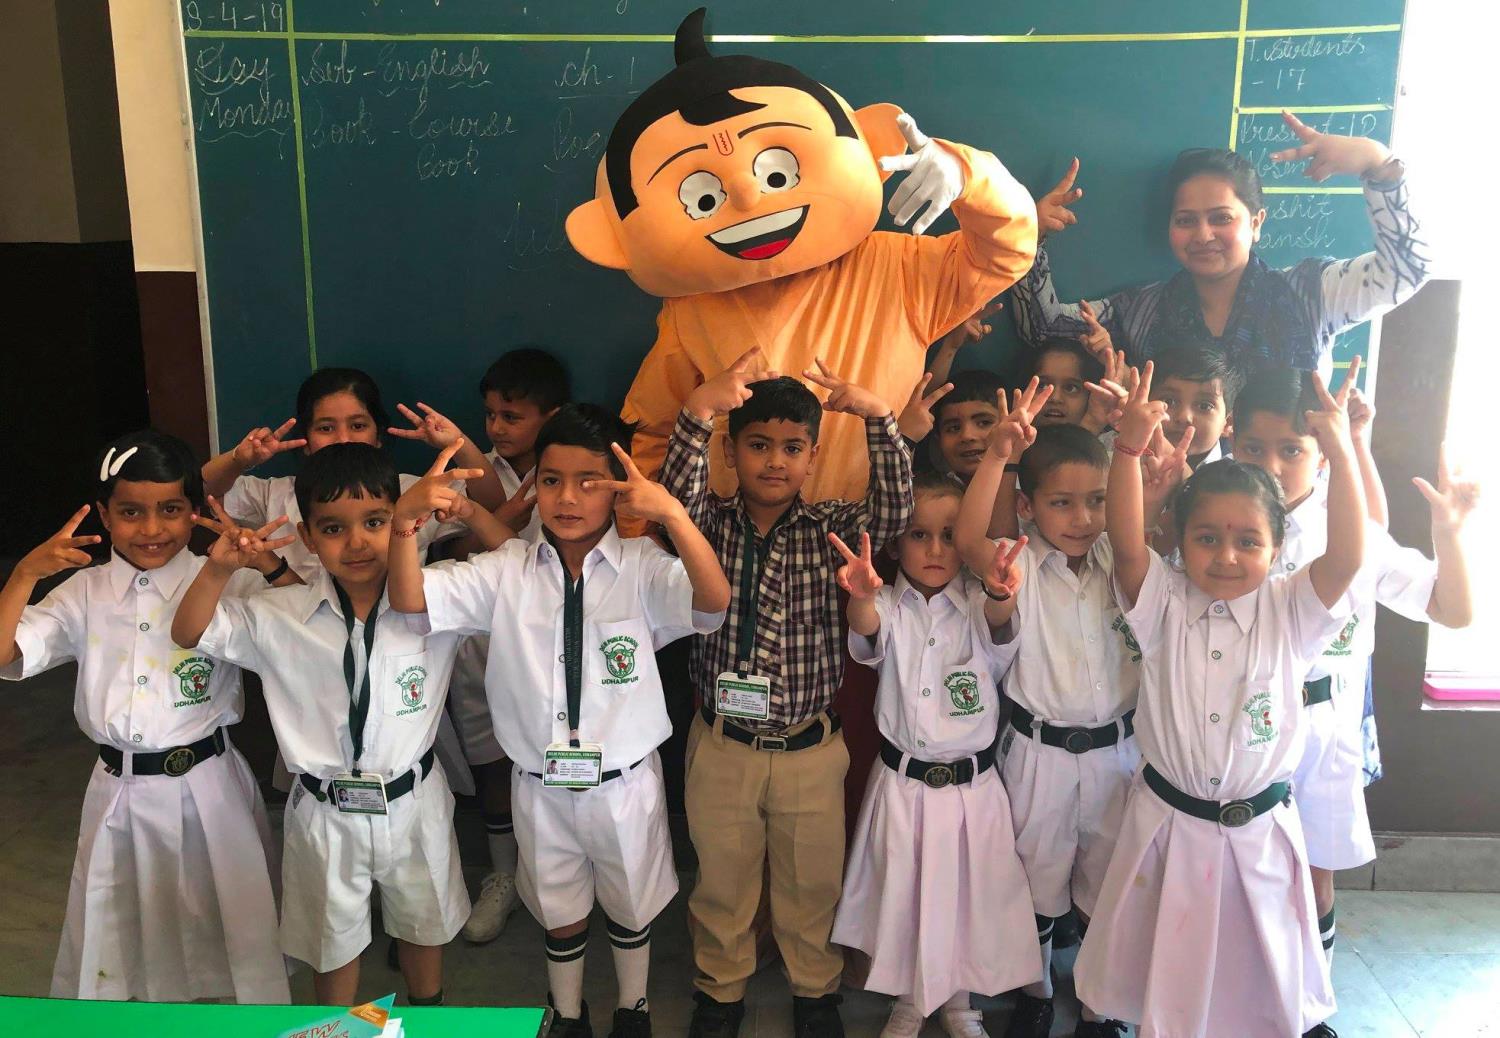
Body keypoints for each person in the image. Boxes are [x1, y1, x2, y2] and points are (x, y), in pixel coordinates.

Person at [567, 9, 1036, 506]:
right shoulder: (692, 308)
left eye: (777, 173)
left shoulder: (900, 268)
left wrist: (967, 176)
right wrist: (650, 539)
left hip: (869, 537)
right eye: (703, 198)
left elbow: (1005, 252)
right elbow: (658, 429)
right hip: (735, 545)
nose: (748, 198)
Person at [389, 404, 730, 1038]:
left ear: (618, 488)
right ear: (534, 485)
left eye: (588, 481)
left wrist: (673, 517)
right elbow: (411, 602)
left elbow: (711, 604)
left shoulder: (641, 565)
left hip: (624, 784)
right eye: (551, 480)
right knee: (558, 909)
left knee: (631, 906)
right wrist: (405, 523)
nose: (567, 497)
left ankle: (634, 1010)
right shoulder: (507, 570)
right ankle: (567, 1014)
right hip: (540, 784)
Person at [1075, 362, 1365, 1037]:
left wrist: (1341, 447)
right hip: (1170, 831)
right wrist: (1127, 448)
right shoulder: (1164, 600)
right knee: (1162, 982)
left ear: (1277, 546)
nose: (1227, 557)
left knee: (1258, 981)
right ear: (1179, 539)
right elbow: (1125, 548)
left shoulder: (1293, 607)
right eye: (1207, 538)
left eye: (1247, 541)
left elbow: (1347, 557)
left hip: (1259, 835)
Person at [173, 440, 507, 1007]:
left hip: (412, 803)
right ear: (307, 539)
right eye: (332, 528)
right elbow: (187, 633)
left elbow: (516, 561)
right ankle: (344, 1026)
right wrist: (217, 568)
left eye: (376, 521)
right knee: (334, 948)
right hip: (324, 812)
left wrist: (469, 510)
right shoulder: (279, 615)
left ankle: (424, 1016)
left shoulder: (438, 604)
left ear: (405, 523)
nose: (356, 542)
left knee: (423, 932)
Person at [657, 359, 913, 1038]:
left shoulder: (831, 529)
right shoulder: (706, 523)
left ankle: (815, 993)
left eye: (793, 448)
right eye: (758, 444)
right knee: (722, 881)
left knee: (811, 882)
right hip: (723, 745)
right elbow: (670, 503)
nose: (775, 461)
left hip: (808, 747)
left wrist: (880, 419)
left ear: (813, 456)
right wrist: (695, 413)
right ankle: (720, 993)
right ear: (731, 450)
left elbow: (894, 511)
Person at [0, 430, 291, 1003]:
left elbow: (316, 636)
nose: (152, 529)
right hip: (118, 793)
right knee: (122, 937)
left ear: (195, 512)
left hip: (210, 788)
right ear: (105, 515)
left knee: (229, 934)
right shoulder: (83, 591)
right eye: (131, 512)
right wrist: (23, 575)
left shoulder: (225, 576)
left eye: (170, 510)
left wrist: (269, 564)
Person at [1230, 366, 1476, 1005]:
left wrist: (1449, 535)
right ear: (1230, 444)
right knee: (1235, 872)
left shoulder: (1354, 536)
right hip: (1236, 732)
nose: (1273, 465)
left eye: (1292, 449)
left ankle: (1311, 1005)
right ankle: (1236, 997)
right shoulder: (1214, 528)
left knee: (1315, 879)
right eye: (1254, 448)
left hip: (1323, 732)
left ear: (1321, 453)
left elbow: (1451, 610)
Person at [955, 392, 1187, 1038]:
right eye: (1061, 502)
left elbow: (1159, 524)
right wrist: (1000, 456)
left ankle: (1099, 1004)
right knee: (1036, 881)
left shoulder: (1126, 560)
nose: (1083, 518)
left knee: (1108, 885)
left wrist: (1146, 457)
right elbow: (970, 537)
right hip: (1038, 755)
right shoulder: (1016, 564)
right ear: (1028, 507)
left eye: (1096, 501)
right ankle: (1036, 987)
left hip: (1119, 754)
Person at [831, 473, 1039, 1038]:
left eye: (950, 535)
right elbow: (867, 632)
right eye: (920, 535)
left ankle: (957, 1002)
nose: (936, 549)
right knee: (905, 893)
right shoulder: (891, 605)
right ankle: (908, 1000)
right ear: (897, 541)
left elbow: (1001, 627)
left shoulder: (978, 603)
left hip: (972, 788)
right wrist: (862, 597)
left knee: (966, 896)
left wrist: (1001, 592)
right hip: (902, 783)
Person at [1013, 113, 1429, 377]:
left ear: (1256, 222)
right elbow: (1043, 327)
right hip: (1171, 503)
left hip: (1286, 508)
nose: (1204, 235)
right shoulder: (1141, 309)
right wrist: (1031, 234)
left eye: (1221, 218)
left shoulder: (1309, 293)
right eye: (1186, 221)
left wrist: (1378, 165)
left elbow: (1406, 270)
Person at [455, 347, 571, 945]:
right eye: (490, 415)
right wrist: (504, 510)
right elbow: (444, 559)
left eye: (511, 416)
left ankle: (560, 878)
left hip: (554, 656)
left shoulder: (576, 476)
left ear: (551, 417)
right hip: (480, 649)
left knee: (557, 763)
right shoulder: (470, 476)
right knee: (494, 764)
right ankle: (503, 877)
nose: (496, 428)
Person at [201, 366, 505, 581]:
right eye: (326, 428)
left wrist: (457, 443)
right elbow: (202, 491)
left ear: (379, 436)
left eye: (358, 426)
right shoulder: (277, 493)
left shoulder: (414, 491)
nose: (343, 439)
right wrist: (239, 460)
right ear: (305, 441)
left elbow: (491, 505)